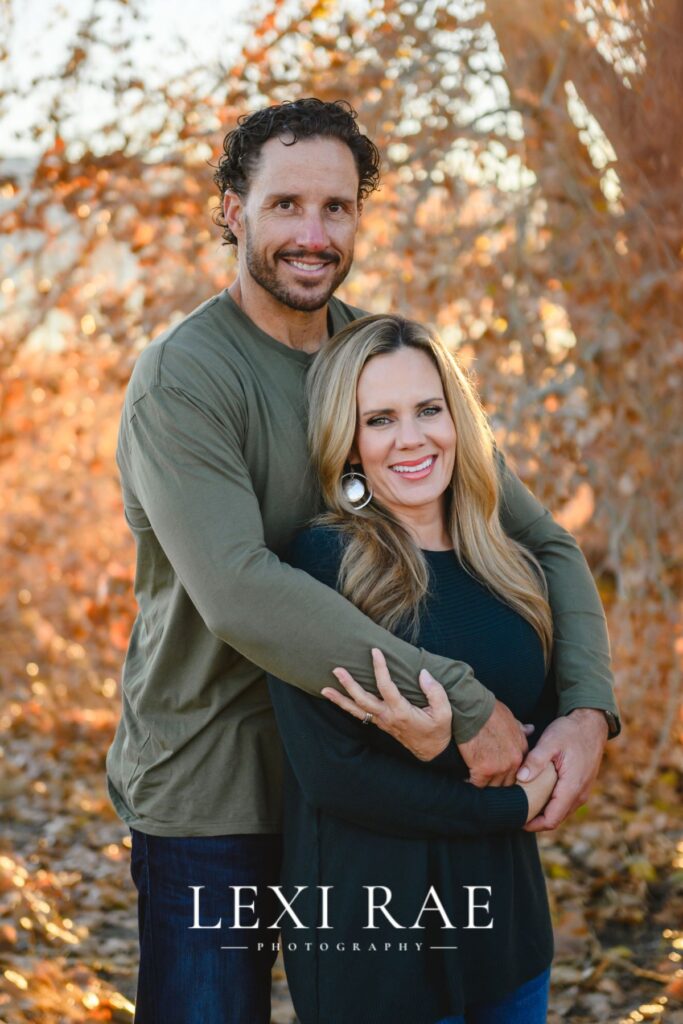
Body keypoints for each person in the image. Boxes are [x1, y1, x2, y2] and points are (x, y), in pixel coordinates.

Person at [106, 98, 619, 1023]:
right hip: (221, 779)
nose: (312, 232)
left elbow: (536, 538)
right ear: (233, 210)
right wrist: (462, 703)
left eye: (335, 208)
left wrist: (585, 709)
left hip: (379, 777)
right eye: (285, 205)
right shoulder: (185, 378)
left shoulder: (385, 362)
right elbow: (240, 591)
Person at [267, 313, 570, 1023]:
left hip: (509, 938)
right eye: (379, 419)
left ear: (456, 419)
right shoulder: (318, 565)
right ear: (347, 440)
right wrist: (508, 802)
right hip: (378, 955)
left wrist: (458, 752)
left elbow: (542, 722)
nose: (411, 438)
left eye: (428, 410)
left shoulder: (505, 562)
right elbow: (335, 777)